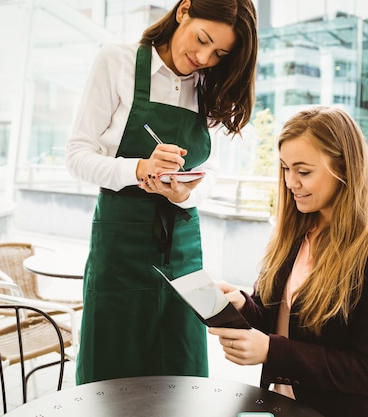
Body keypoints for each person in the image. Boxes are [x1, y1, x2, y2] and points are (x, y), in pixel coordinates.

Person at [65, 0, 258, 385]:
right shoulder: (117, 61)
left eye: (219, 53)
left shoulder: (208, 85)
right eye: (202, 40)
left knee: (181, 372)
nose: (203, 57)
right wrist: (138, 168)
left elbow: (213, 175)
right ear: (183, 10)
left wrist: (182, 194)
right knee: (113, 371)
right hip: (120, 246)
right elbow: (77, 155)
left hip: (183, 248)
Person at [209, 106, 368, 417]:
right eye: (285, 169)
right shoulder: (294, 232)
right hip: (279, 407)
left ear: (344, 169)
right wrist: (240, 305)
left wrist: (270, 351)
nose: (291, 182)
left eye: (303, 171)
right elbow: (274, 321)